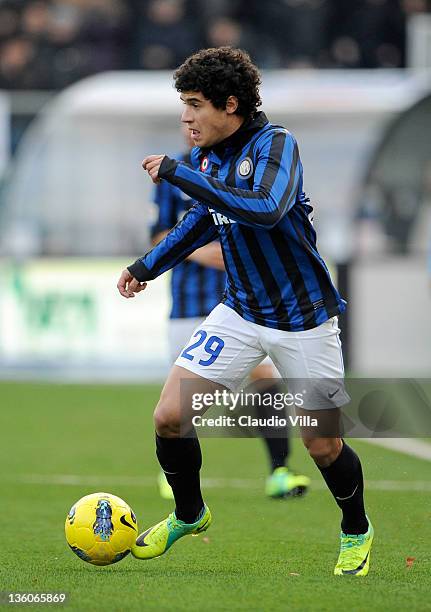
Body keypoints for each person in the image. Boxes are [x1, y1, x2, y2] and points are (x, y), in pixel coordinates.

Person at [117, 47, 373, 576]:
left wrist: (177, 174)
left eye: (194, 104)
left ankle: (355, 529)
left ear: (230, 103)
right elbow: (201, 221)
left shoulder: (276, 144)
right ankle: (189, 514)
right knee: (169, 418)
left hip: (303, 319)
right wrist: (146, 266)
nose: (186, 118)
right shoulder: (207, 159)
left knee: (323, 445)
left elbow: (265, 208)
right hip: (240, 311)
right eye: (183, 105)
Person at [151, 125, 310, 500]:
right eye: (186, 113)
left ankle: (280, 470)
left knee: (264, 378)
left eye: (197, 109)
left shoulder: (246, 166)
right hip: (190, 300)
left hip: (242, 300)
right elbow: (158, 235)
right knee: (183, 400)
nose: (191, 123)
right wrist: (201, 253)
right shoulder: (170, 176)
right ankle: (174, 474)